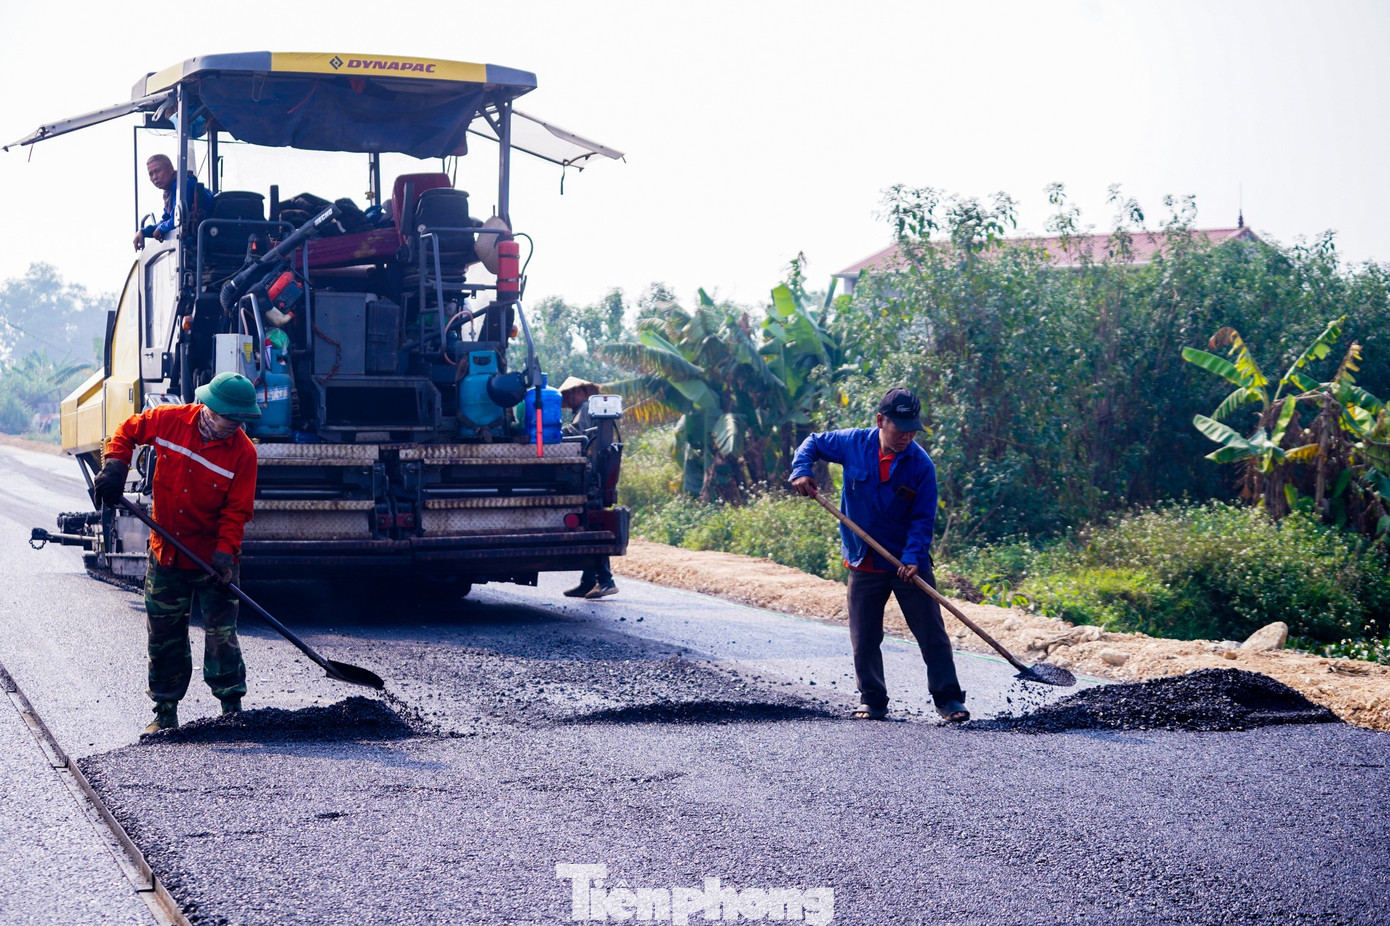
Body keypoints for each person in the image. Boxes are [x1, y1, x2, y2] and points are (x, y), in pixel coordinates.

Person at [91, 373, 261, 734]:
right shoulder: (170, 420)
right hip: (167, 553)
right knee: (165, 635)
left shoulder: (243, 453)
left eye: (237, 423)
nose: (230, 428)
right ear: (208, 409)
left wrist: (224, 554)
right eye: (225, 421)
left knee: (221, 634)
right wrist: (115, 466)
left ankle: (232, 708)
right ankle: (165, 713)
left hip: (214, 558)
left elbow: (237, 510)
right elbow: (127, 430)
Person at [789, 387, 968, 722]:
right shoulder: (853, 443)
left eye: (913, 428)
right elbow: (811, 442)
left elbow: (922, 519)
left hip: (905, 562)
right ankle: (872, 699)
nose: (907, 435)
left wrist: (913, 558)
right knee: (865, 636)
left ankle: (949, 700)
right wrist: (802, 470)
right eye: (900, 427)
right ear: (880, 420)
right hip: (864, 558)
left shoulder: (921, 466)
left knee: (932, 634)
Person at [558, 376, 618, 599]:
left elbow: (576, 434)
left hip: (591, 476)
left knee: (593, 526)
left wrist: (554, 433)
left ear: (581, 392)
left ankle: (605, 580)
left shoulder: (585, 408)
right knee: (588, 523)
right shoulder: (592, 410)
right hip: (597, 474)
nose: (569, 400)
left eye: (570, 395)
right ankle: (588, 581)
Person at [131, 154, 214, 250]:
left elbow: (177, 219)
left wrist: (161, 228)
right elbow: (167, 218)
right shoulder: (169, 193)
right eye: (151, 174)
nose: (154, 177)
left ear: (170, 169)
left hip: (209, 234)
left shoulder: (182, 186)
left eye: (157, 171)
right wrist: (143, 232)